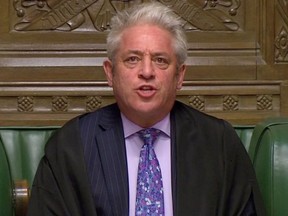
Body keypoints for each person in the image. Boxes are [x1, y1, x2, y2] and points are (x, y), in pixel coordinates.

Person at [27, 2, 265, 216]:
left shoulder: (219, 142)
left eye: (161, 60)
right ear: (110, 72)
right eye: (132, 59)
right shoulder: (71, 145)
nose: (147, 72)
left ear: (179, 76)